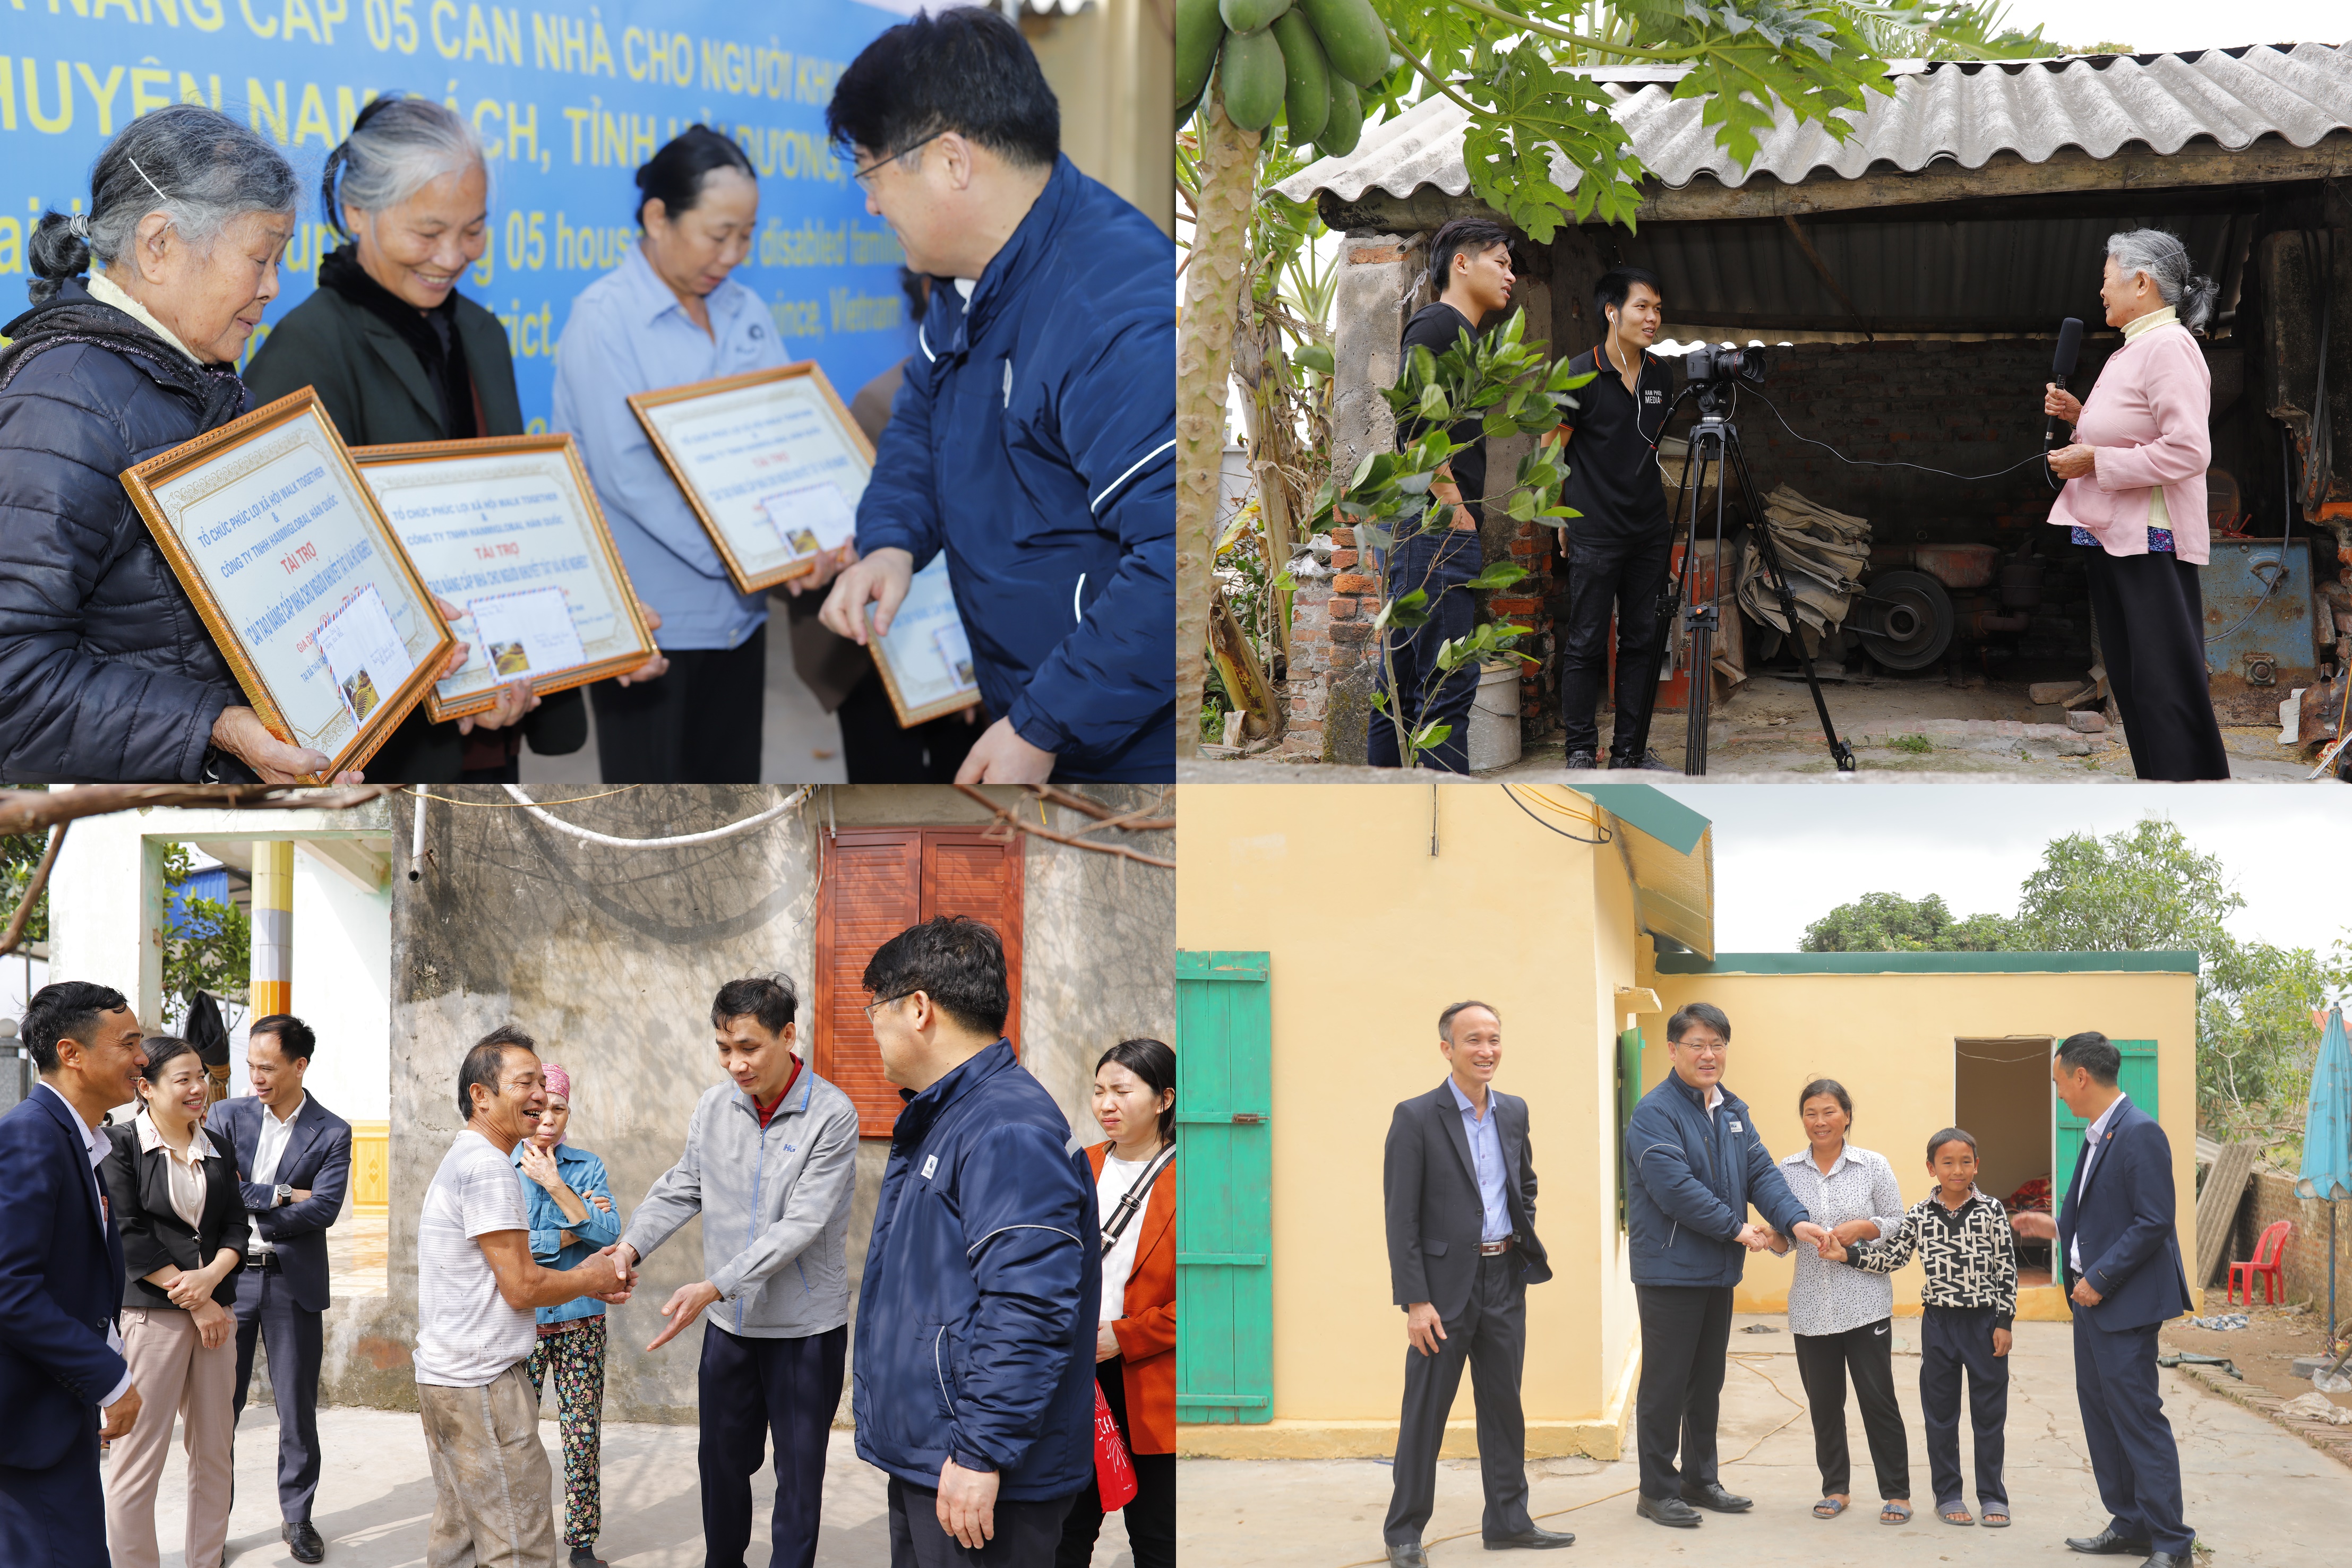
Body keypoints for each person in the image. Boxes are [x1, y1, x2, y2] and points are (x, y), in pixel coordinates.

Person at [246, 96, 660, 782]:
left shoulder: (484, 335)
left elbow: (510, 518)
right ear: (356, 212)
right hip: (388, 742)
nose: (452, 256)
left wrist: (599, 617)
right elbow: (296, 572)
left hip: (499, 704)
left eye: (473, 231)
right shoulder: (307, 349)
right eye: (428, 231)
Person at [820, 7, 1175, 783]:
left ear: (950, 161)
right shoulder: (968, 274)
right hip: (1036, 705)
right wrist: (891, 539)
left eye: (872, 174)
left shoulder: (1111, 313)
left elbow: (1176, 560)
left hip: (1120, 741)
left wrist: (1046, 723)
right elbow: (924, 411)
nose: (872, 205)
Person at [0, 107, 321, 783]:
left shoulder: (198, 380)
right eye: (260, 258)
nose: (273, 286)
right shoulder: (64, 403)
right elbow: (12, 680)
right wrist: (214, 725)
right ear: (159, 245)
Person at [553, 126, 837, 783]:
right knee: (652, 817)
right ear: (658, 217)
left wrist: (801, 540)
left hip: (739, 620)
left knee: (732, 801)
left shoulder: (747, 310)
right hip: (656, 623)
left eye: (747, 234)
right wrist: (749, 559)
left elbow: (785, 440)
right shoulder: (603, 319)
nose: (734, 254)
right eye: (719, 234)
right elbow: (628, 474)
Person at [852, 916, 1100, 1566]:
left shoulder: (1005, 1127)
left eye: (873, 1007)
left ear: (917, 1008)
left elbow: (1029, 1305)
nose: (869, 1026)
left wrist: (979, 1451)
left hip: (982, 1471)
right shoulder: (955, 1115)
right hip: (938, 1454)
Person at [607, 977, 860, 1568]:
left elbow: (800, 1225)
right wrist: (628, 1249)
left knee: (798, 1476)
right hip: (729, 1323)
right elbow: (682, 1185)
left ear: (788, 1035)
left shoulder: (831, 1114)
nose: (734, 1062)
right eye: (723, 1047)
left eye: (748, 1046)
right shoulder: (713, 1105)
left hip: (803, 1331)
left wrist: (714, 1283)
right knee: (721, 1461)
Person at [415, 1027, 632, 1568]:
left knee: (461, 1537)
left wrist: (584, 1254)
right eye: (524, 1083)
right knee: (520, 1545)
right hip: (482, 1382)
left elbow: (601, 1227)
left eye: (544, 1083)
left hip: (447, 1376)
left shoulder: (471, 1156)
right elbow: (522, 1284)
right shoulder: (491, 1166)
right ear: (481, 1095)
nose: (538, 1096)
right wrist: (592, 1274)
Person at [1623, 1002, 1828, 1529]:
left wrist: (1795, 1220)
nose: (1708, 1054)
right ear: (1672, 1050)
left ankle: (1699, 1477)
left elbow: (1759, 1172)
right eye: (1696, 1044)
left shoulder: (1732, 1110)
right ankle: (1655, 1489)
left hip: (1716, 1268)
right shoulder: (1654, 1112)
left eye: (1716, 1044)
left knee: (1705, 1381)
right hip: (1670, 1269)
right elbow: (1673, 1188)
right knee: (1665, 1384)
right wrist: (1736, 1227)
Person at [1379, 1002, 1570, 1566]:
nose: (1485, 1049)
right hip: (1440, 1292)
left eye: (1493, 1038)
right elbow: (1400, 1217)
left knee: (1503, 1405)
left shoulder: (1512, 1111)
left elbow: (1524, 1182)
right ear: (1446, 1047)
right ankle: (1403, 1530)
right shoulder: (1415, 1116)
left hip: (1503, 1278)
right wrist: (1415, 1300)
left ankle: (1509, 1521)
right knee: (1426, 1411)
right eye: (1472, 1040)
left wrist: (1517, 1237)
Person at [2042, 229, 2227, 781]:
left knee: (2161, 682)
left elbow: (2189, 450)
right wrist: (2081, 418)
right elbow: (2132, 429)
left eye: (2105, 280)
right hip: (2115, 534)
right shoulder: (2138, 345)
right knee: (2132, 679)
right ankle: (2157, 790)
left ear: (2141, 283)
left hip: (2148, 536)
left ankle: (2189, 794)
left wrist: (2093, 461)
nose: (2100, 293)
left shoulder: (2168, 346)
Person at [2011, 1033, 2194, 1567]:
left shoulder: (2138, 1131)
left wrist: (2100, 1275)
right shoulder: (2096, 1135)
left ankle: (2170, 1542)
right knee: (2102, 1417)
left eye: (2058, 1081)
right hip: (2089, 1305)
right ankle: (2129, 1521)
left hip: (2121, 1302)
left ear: (2080, 1076)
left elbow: (2153, 1218)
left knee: (2136, 1418)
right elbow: (2100, 1212)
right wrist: (2054, 1226)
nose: (2058, 1093)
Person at [0, 983, 144, 1568]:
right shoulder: (31, 1136)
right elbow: (9, 1288)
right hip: (29, 1419)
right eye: (130, 1042)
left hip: (57, 1408)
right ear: (73, 1052)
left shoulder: (82, 1139)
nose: (143, 1058)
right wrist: (109, 1378)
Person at [1366, 218, 1516, 774]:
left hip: (1423, 529)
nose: (1510, 274)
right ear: (1461, 262)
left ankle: (1388, 815)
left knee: (1403, 689)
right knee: (1445, 685)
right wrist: (1455, 508)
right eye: (1499, 261)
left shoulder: (1464, 336)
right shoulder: (1437, 324)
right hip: (1431, 529)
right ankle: (1443, 821)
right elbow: (1412, 419)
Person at [204, 1014, 351, 1566]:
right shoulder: (225, 1114)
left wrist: (256, 1199)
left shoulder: (332, 1129)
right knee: (222, 1408)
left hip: (293, 1284)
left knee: (297, 1409)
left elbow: (326, 1208)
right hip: (230, 1278)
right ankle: (211, 1523)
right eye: (251, 1065)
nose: (257, 1076)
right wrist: (286, 1191)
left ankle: (298, 1518)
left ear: (299, 1065)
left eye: (267, 1066)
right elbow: (220, 1189)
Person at [99, 1035, 248, 1568]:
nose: (198, 1088)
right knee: (137, 1458)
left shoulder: (217, 1146)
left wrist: (211, 1278)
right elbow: (127, 1231)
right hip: (153, 1314)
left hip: (216, 1313)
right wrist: (195, 1297)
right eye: (182, 1078)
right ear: (146, 1086)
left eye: (201, 1077)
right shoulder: (118, 1146)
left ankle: (204, 1560)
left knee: (214, 1453)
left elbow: (236, 1223)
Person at [1825, 1127, 2019, 1529]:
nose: (1957, 1170)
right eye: (1947, 1163)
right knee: (1942, 1415)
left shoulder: (1992, 1210)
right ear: (1931, 1168)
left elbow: (2007, 1268)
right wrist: (1849, 1254)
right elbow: (1892, 1257)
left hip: (1984, 1325)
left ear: (1977, 1165)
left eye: (1966, 1161)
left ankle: (1993, 1496)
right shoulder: (1919, 1215)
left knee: (1988, 1416)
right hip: (1940, 1326)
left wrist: (2004, 1322)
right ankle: (1947, 1495)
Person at [1055, 1040, 1178, 1568]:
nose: (1106, 1103)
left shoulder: (1190, 1176)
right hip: (1075, 1371)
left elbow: (1206, 1298)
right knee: (1067, 1526)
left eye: (1122, 1090)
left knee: (1156, 1533)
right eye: (1099, 1090)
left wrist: (1122, 1337)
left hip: (1148, 1378)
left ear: (1163, 1099)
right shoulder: (1076, 1166)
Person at [1767, 1079, 1911, 1525]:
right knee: (1825, 1404)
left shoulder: (1872, 1166)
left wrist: (1862, 1227)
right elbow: (1785, 1238)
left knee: (1878, 1400)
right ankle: (1836, 1488)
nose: (1820, 1121)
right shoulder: (1786, 1170)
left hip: (1865, 1305)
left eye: (1829, 1112)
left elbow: (1898, 1224)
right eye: (1811, 1113)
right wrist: (1769, 1237)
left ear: (1846, 1115)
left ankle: (1898, 1493)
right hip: (1811, 1307)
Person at [1555, 265, 1678, 772]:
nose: (1653, 318)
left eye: (1657, 310)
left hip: (1649, 532)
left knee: (1643, 642)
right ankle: (1581, 752)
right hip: (1594, 532)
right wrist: (1558, 519)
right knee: (1585, 643)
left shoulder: (1661, 376)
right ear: (1613, 312)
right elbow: (1549, 454)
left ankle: (1629, 752)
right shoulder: (1576, 374)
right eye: (1642, 307)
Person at [513, 1064, 623, 1568]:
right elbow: (511, 1248)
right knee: (516, 1440)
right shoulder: (502, 1168)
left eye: (559, 1110)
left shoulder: (588, 1167)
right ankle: (518, 1539)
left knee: (582, 1437)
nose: (548, 1120)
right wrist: (574, 1229)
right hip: (522, 1327)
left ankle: (582, 1545)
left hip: (583, 1323)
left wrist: (558, 1186)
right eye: (539, 1110)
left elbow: (612, 1237)